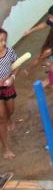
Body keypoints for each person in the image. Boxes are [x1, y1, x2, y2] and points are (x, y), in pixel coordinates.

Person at [0, 28, 18, 158]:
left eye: (5, 40)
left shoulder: (9, 52)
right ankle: (6, 149)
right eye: (1, 41)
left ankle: (9, 118)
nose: (4, 43)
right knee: (1, 118)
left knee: (10, 110)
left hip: (8, 86)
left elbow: (16, 65)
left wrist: (12, 77)